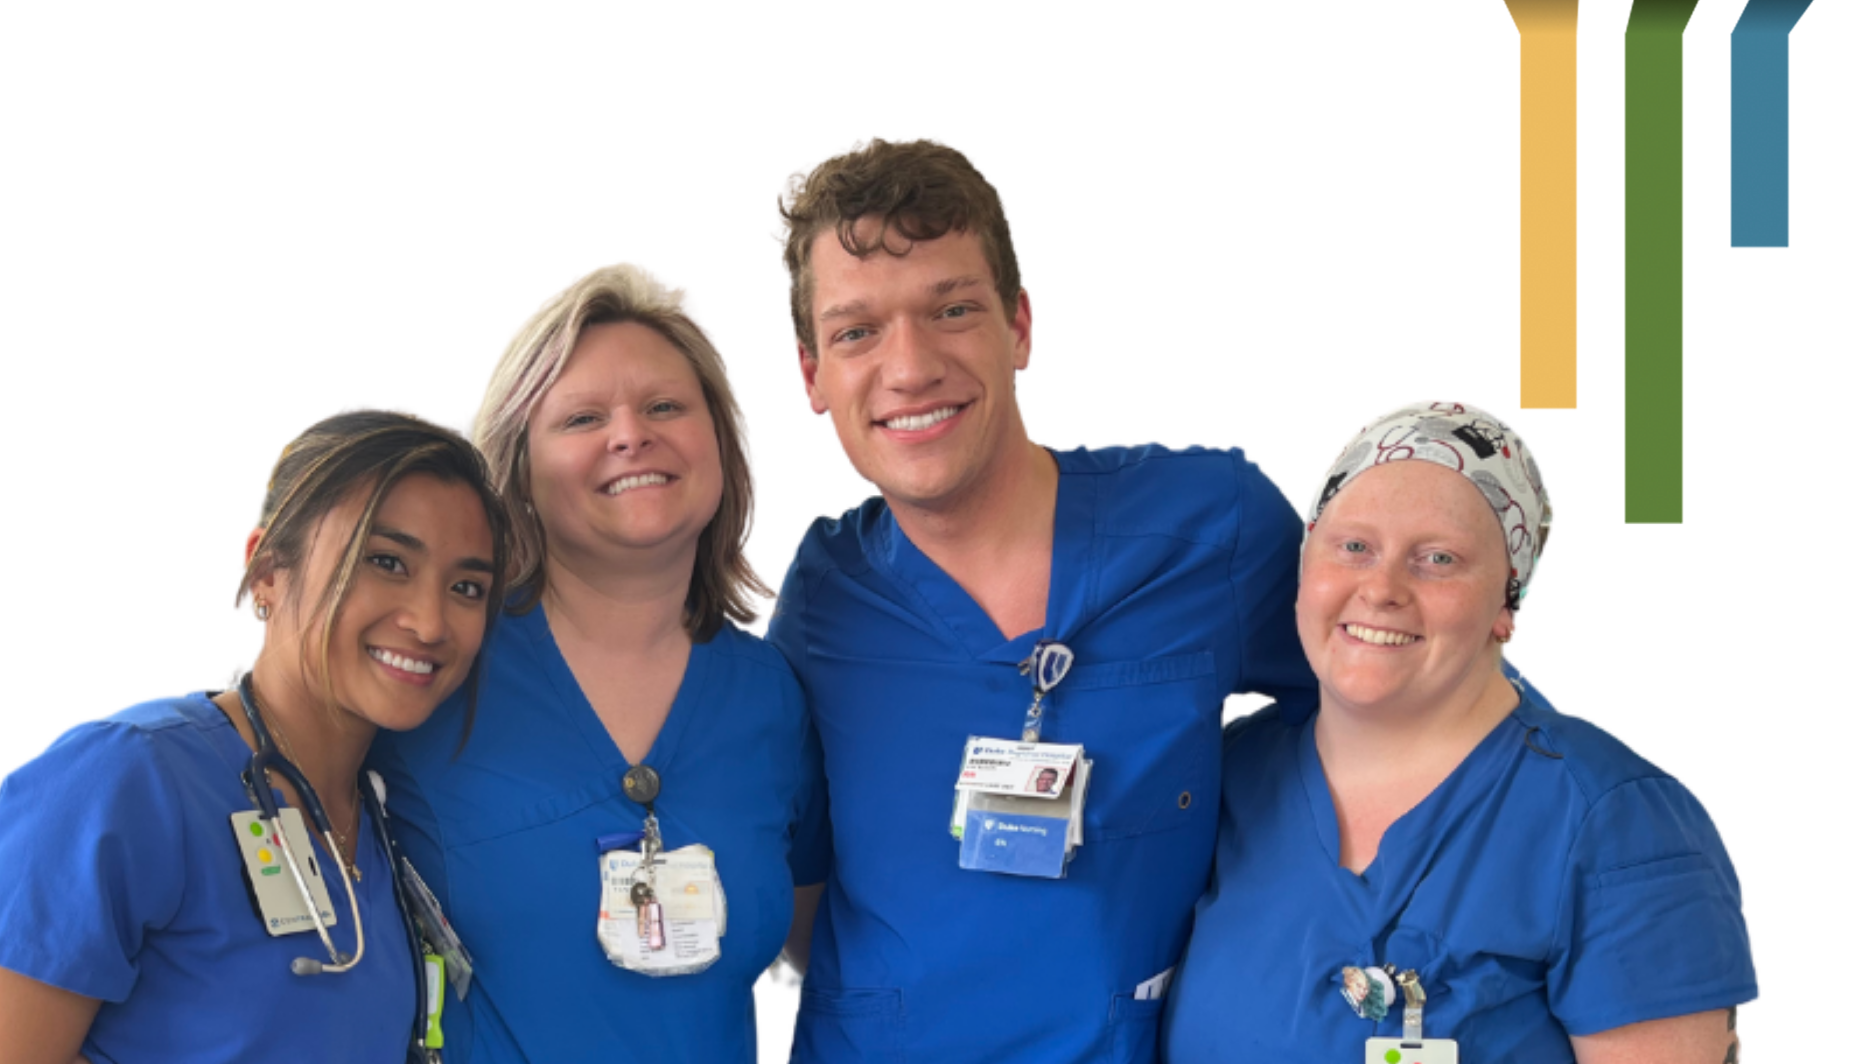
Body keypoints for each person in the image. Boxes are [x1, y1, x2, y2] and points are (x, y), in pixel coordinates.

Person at [769, 138, 1316, 1063]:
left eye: (952, 309)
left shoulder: (1210, 531)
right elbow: (795, 887)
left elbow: (1398, 721)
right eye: (857, 331)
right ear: (813, 374)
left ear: (1018, 326)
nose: (909, 367)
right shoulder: (827, 597)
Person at [1161, 402, 1755, 1064]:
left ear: (1506, 602)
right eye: (1354, 546)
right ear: (1306, 571)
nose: (1381, 587)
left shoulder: (1615, 823)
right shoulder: (1227, 776)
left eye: (1437, 558)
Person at [0, 410, 511, 1064]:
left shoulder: (384, 831)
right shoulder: (123, 782)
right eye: (386, 561)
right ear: (267, 570)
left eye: (467, 587)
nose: (429, 621)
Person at [368, 265, 821, 1063]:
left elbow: (828, 949)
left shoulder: (772, 697)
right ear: (518, 468)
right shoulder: (437, 664)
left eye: (665, 407)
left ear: (717, 440)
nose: (630, 435)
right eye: (582, 418)